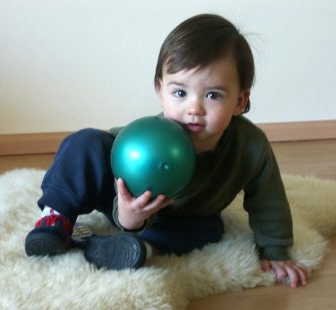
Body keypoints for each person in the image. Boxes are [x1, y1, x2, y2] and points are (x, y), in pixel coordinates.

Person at [25, 13, 308, 288]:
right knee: (84, 144)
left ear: (239, 100)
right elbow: (116, 176)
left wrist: (276, 250)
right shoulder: (150, 139)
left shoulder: (251, 147)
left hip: (182, 216)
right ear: (161, 90)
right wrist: (128, 215)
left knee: (208, 230)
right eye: (180, 93)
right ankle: (55, 218)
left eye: (212, 95)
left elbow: (268, 199)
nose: (193, 109)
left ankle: (140, 248)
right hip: (121, 192)